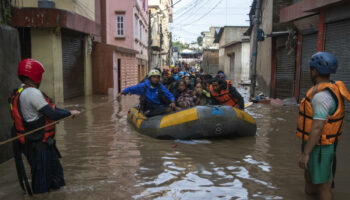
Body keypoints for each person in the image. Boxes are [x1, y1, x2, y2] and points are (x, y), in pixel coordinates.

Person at [9, 59, 80, 195]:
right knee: (42, 180)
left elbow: (48, 110)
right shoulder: (32, 93)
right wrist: (70, 113)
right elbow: (52, 114)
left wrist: (66, 113)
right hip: (38, 144)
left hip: (41, 142)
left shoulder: (22, 90)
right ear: (35, 75)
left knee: (56, 174)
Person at [297, 52, 350, 200]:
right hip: (316, 144)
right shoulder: (330, 88)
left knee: (323, 186)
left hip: (321, 148)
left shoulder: (321, 97)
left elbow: (317, 128)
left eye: (311, 69)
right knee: (309, 178)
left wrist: (306, 154)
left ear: (315, 71)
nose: (310, 72)